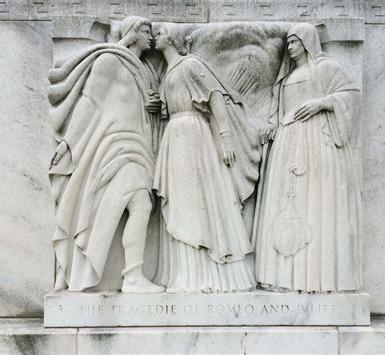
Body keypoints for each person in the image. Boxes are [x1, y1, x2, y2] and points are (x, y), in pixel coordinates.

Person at [48, 16, 164, 293]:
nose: (151, 35)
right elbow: (90, 103)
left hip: (137, 146)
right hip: (115, 147)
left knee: (132, 207)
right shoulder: (109, 61)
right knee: (139, 205)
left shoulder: (141, 68)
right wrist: (68, 143)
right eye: (146, 30)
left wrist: (153, 107)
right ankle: (132, 276)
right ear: (133, 32)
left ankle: (125, 274)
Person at [253, 23, 363, 292]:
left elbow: (351, 96)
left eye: (294, 41)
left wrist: (321, 103)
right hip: (288, 143)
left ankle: (317, 277)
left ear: (307, 41)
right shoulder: (288, 77)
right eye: (289, 42)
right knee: (286, 204)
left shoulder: (326, 68)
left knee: (315, 203)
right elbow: (281, 111)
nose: (290, 47)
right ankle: (284, 277)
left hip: (317, 142)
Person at [152, 24, 261, 293]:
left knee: (196, 201)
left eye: (161, 32)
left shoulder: (190, 65)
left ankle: (206, 277)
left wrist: (225, 138)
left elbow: (215, 97)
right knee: (181, 202)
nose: (155, 36)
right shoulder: (168, 73)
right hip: (175, 135)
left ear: (172, 39)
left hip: (193, 135)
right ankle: (185, 276)